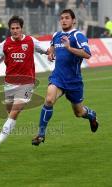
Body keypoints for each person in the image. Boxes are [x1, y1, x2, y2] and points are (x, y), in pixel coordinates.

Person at [32, 9, 99, 146]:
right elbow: (52, 47)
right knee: (49, 99)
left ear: (73, 20)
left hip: (74, 81)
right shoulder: (56, 35)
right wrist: (50, 53)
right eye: (62, 18)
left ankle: (91, 115)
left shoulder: (78, 36)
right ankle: (41, 134)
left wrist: (69, 48)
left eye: (67, 18)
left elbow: (87, 54)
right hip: (58, 77)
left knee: (79, 113)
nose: (64, 20)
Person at [0, 16, 48, 152]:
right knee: (10, 112)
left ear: (21, 28)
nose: (15, 31)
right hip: (10, 84)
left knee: (14, 112)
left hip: (27, 83)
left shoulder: (30, 41)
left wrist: (51, 53)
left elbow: (45, 50)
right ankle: (9, 126)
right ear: (10, 29)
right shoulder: (5, 44)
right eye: (12, 28)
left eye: (17, 28)